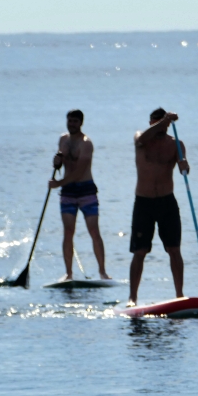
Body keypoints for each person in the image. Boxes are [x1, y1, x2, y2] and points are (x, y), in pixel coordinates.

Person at [128, 108, 189, 304]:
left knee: (174, 250)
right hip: (143, 202)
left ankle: (179, 294)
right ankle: (132, 297)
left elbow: (182, 165)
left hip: (166, 202)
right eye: (156, 122)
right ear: (150, 122)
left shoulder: (176, 144)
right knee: (140, 252)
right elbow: (142, 139)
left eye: (163, 123)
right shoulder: (141, 139)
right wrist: (164, 121)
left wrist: (184, 165)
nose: (160, 126)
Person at [47, 109, 110, 281]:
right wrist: (57, 163)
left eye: (75, 121)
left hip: (86, 189)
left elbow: (80, 170)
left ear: (81, 123)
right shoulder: (63, 140)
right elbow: (62, 162)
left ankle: (102, 272)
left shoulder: (86, 143)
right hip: (68, 192)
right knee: (68, 232)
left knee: (93, 230)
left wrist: (58, 183)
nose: (71, 124)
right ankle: (69, 273)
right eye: (69, 121)